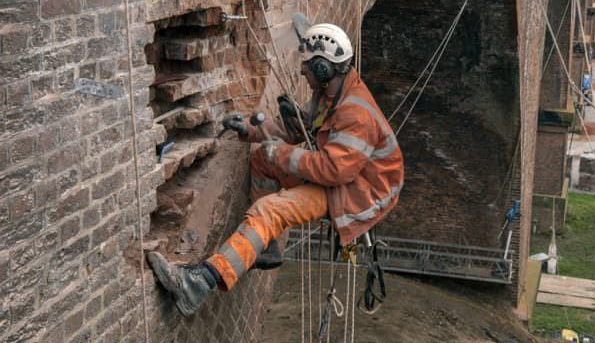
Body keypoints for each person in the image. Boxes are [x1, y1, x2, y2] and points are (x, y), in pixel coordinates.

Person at [147, 20, 405, 316]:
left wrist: (283, 155)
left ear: (324, 69)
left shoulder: (355, 114)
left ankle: (200, 284)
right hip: (342, 175)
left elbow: (334, 170)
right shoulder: (332, 93)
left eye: (307, 68)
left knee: (270, 210)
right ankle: (266, 246)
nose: (302, 73)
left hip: (357, 192)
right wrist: (249, 129)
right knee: (261, 160)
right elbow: (295, 130)